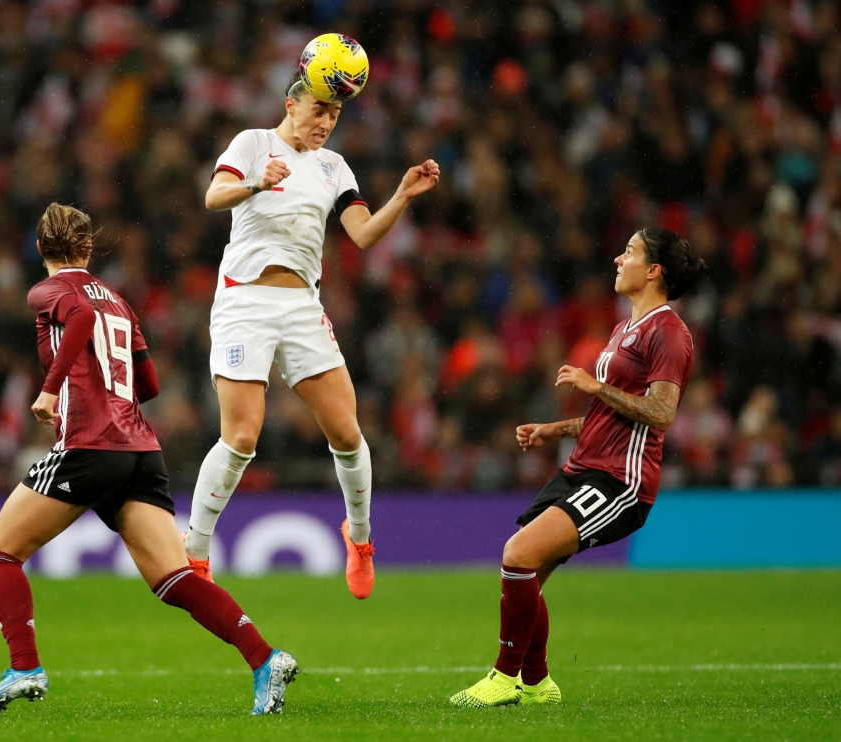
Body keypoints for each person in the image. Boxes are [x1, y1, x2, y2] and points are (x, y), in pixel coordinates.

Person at [0, 204, 298, 716]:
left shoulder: (49, 292)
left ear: (41, 249)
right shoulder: (119, 302)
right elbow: (149, 385)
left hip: (86, 445)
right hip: (140, 450)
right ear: (89, 247)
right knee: (175, 578)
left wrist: (52, 391)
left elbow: (76, 318)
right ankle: (264, 658)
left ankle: (25, 668)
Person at [183, 69, 440, 598]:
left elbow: (363, 234)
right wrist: (257, 182)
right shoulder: (253, 143)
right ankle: (195, 549)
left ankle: (361, 540)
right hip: (244, 300)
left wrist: (402, 196)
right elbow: (213, 197)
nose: (326, 123)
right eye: (319, 111)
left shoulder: (333, 166)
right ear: (291, 104)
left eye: (335, 115)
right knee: (242, 436)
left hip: (302, 304)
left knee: (347, 434)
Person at [450, 227, 706, 708]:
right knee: (526, 578)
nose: (617, 258)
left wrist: (595, 386)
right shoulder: (623, 328)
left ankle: (504, 679)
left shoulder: (668, 332)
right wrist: (558, 428)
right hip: (582, 467)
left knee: (518, 554)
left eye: (628, 252)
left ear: (654, 271)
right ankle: (538, 685)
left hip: (619, 482)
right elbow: (613, 413)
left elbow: (661, 412)